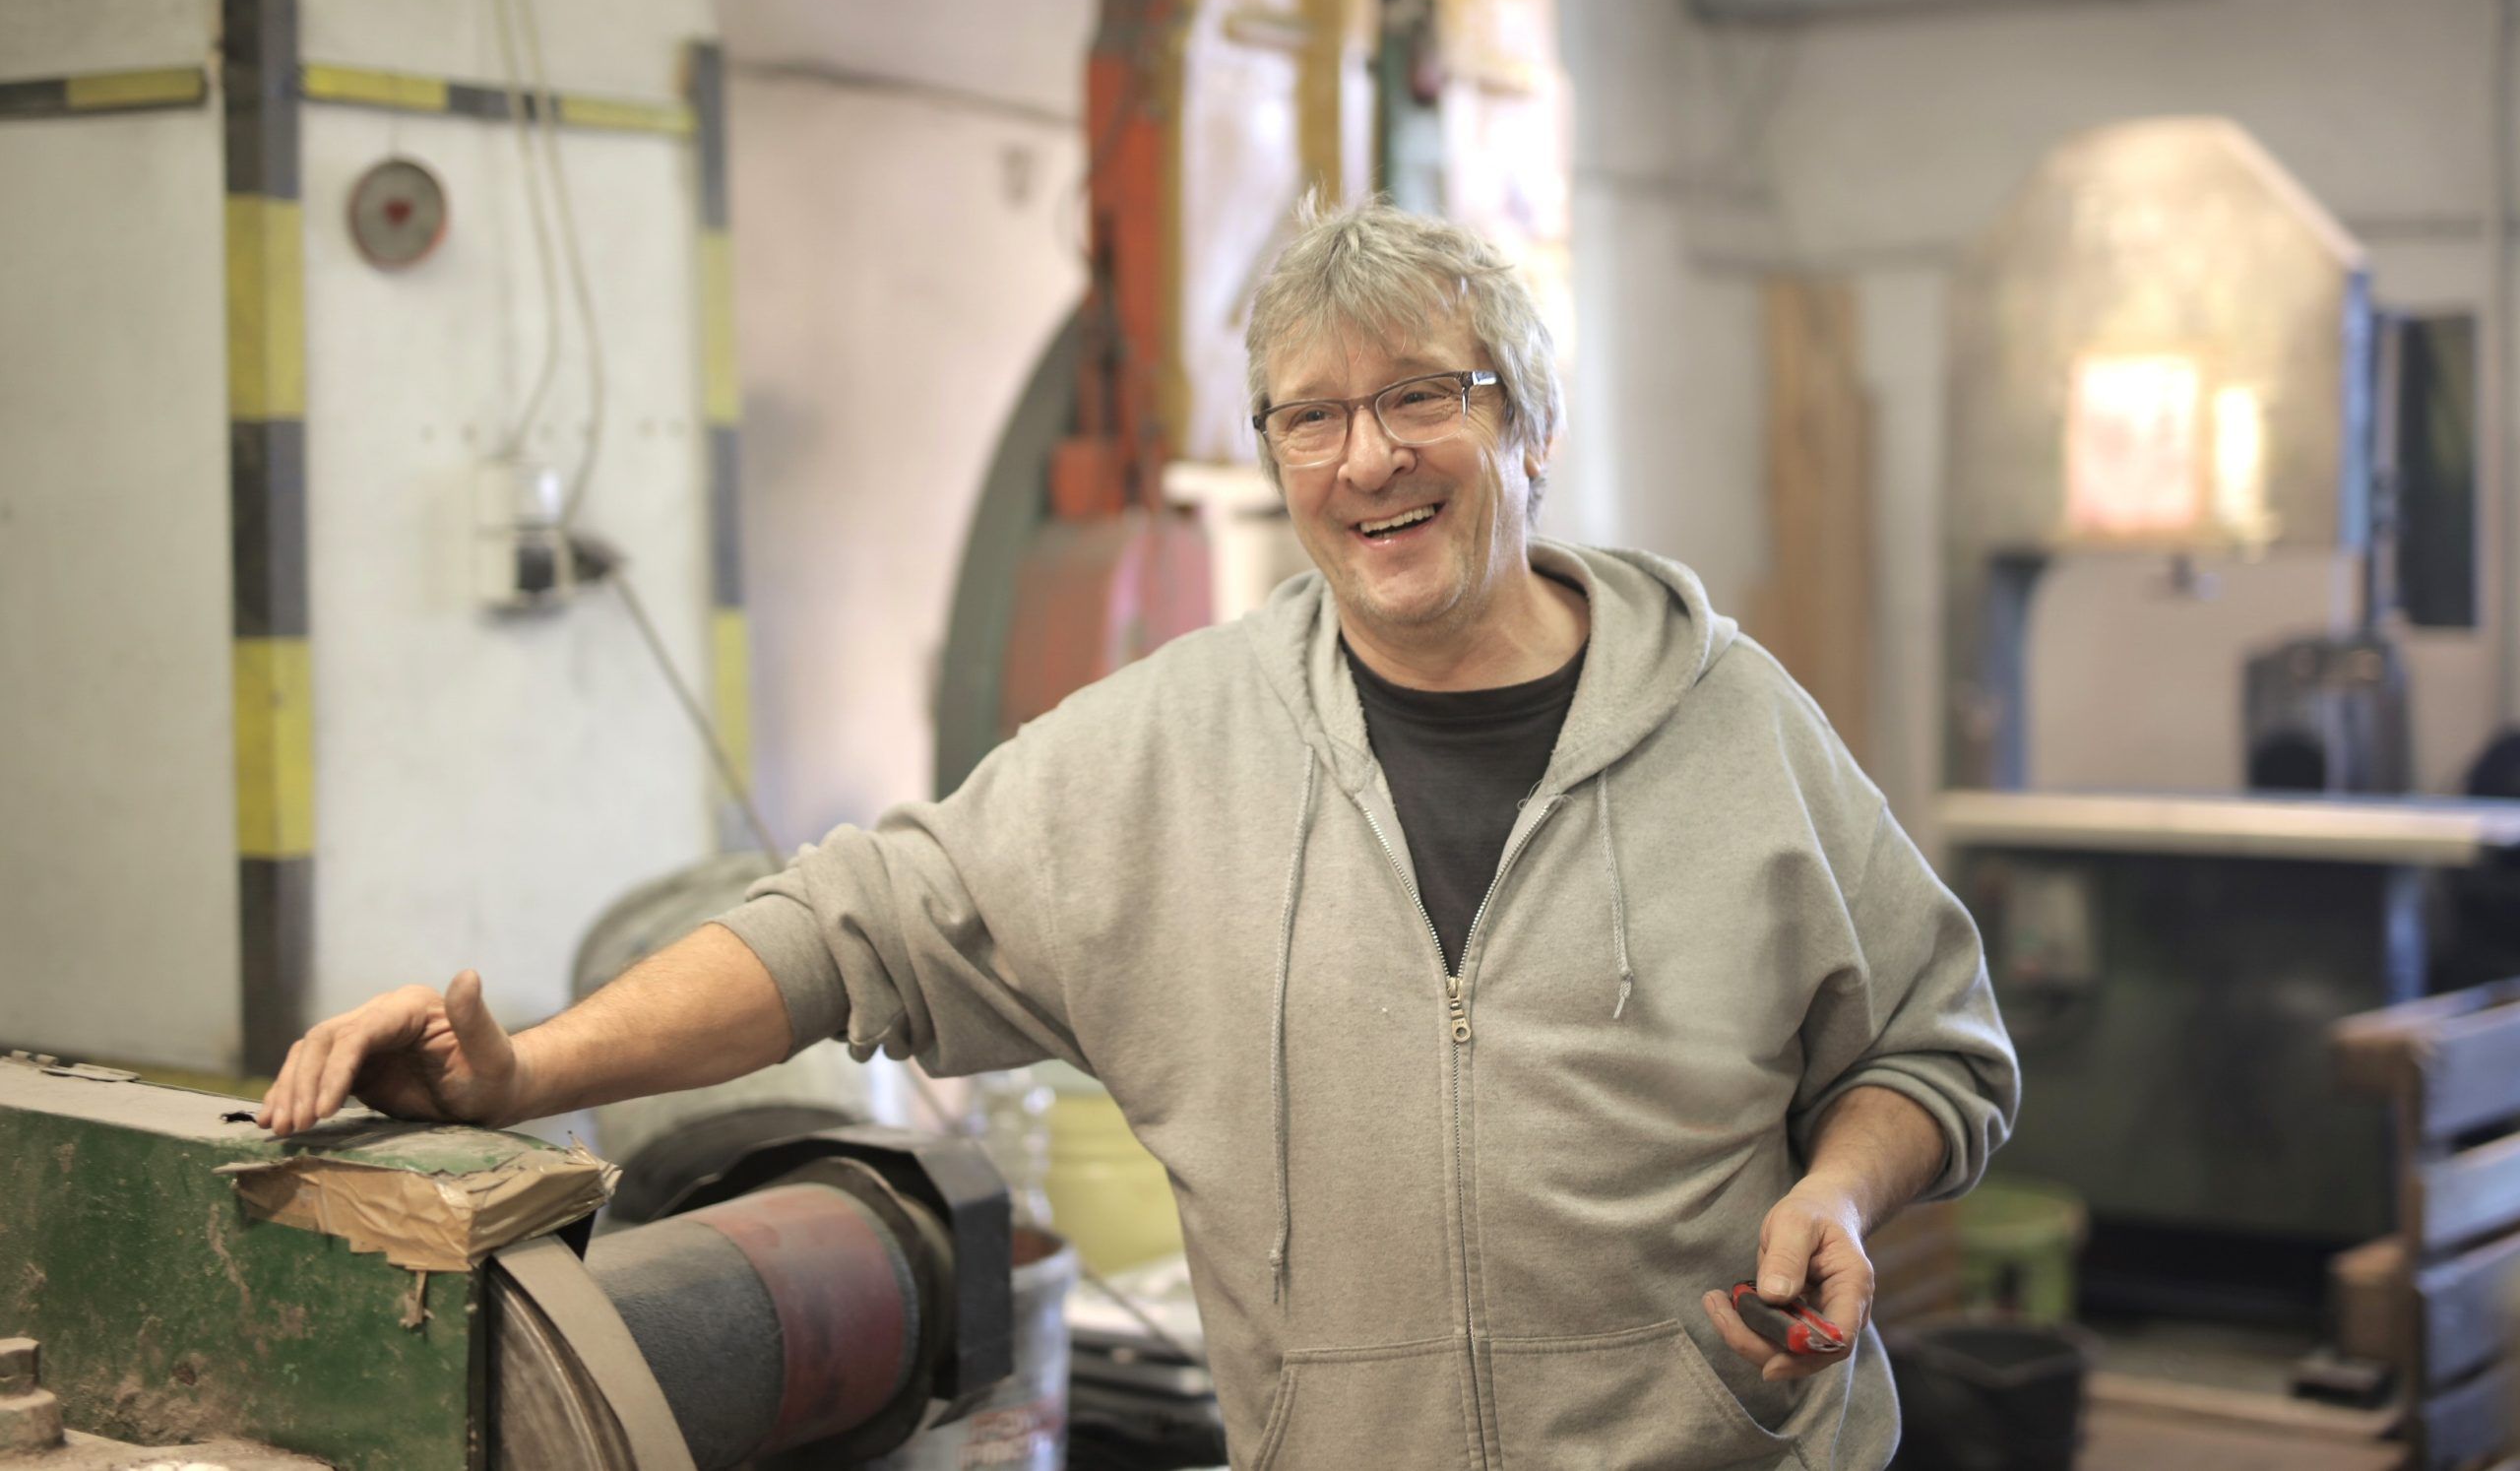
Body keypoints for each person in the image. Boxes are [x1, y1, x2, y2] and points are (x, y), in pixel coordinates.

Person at [259, 201, 2018, 1470]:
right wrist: (525, 1074)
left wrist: (1836, 1190)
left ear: (1529, 426)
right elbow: (846, 928)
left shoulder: (1734, 722)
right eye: (1311, 416)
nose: (1367, 457)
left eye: (1426, 396)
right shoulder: (1167, 751)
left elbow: (1932, 1052)